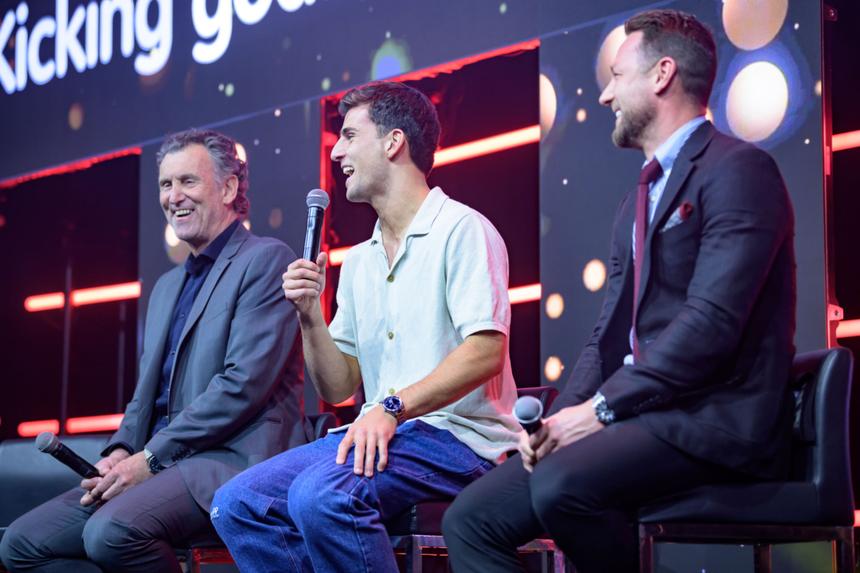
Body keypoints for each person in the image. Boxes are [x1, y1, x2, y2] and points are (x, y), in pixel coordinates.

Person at [443, 9, 796, 573]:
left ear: (660, 75)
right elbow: (608, 336)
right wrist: (560, 418)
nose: (605, 95)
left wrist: (599, 412)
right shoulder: (636, 200)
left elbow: (710, 326)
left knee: (562, 487)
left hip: (713, 419)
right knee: (470, 520)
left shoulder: (739, 170)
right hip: (641, 418)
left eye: (616, 76)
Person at [210, 81, 521, 572]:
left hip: (459, 440)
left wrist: (392, 408)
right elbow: (338, 386)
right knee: (238, 504)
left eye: (350, 136)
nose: (337, 152)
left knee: (320, 496)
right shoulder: (359, 261)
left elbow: (485, 352)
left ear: (393, 142)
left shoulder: (462, 229)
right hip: (383, 433)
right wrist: (310, 314)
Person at [0, 129, 304, 573]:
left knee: (111, 534)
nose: (174, 196)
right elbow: (146, 394)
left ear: (229, 188)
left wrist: (152, 456)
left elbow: (241, 386)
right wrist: (123, 449)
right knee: (21, 544)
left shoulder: (266, 260)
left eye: (188, 182)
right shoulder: (167, 286)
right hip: (162, 459)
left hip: (233, 460)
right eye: (166, 184)